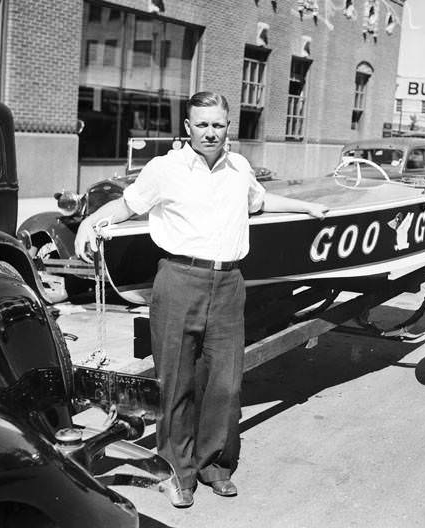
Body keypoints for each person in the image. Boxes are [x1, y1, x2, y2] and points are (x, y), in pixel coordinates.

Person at [74, 91, 328, 508]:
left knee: (225, 385)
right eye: (203, 124)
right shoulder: (164, 169)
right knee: (175, 383)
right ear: (188, 128)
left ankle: (215, 466)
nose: (211, 132)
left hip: (229, 283)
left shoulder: (239, 167)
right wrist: (89, 221)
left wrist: (307, 207)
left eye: (218, 124)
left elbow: (259, 204)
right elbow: (127, 204)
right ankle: (178, 472)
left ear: (229, 126)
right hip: (179, 279)